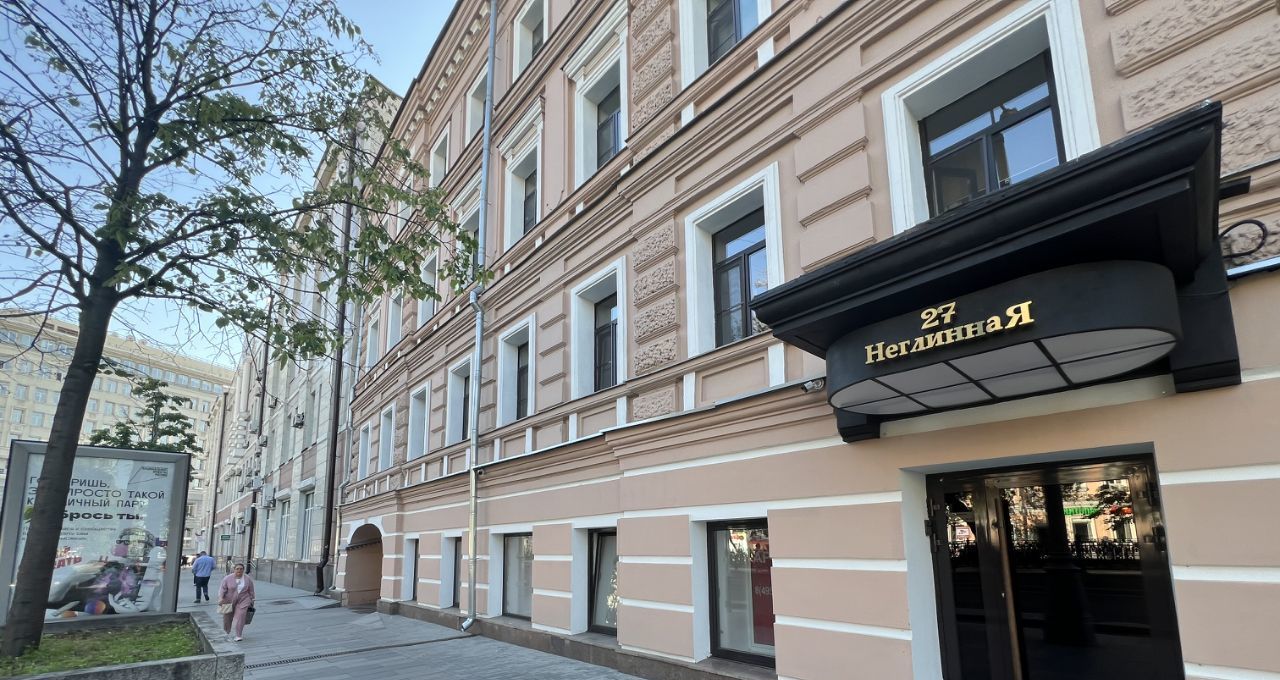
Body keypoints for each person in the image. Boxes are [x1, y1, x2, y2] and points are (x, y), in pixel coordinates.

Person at [218, 563, 255, 641]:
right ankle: (227, 632)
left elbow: (251, 590)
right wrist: (221, 598)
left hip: (243, 599)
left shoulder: (247, 579)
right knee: (227, 618)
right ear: (234, 570)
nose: (239, 570)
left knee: (241, 616)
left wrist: (252, 599)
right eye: (237, 569)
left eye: (241, 569)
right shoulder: (227, 578)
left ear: (243, 570)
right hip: (229, 600)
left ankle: (238, 635)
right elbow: (222, 589)